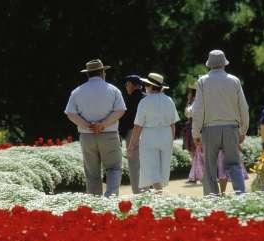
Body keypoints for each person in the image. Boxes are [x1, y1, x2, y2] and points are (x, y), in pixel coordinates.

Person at [65, 59, 126, 197]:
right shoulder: (113, 89)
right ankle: (110, 197)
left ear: (88, 74)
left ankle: (94, 203)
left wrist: (88, 125)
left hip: (87, 136)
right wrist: (102, 124)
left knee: (92, 172)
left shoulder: (77, 92)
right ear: (103, 72)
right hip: (109, 134)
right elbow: (120, 110)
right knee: (114, 169)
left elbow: (70, 113)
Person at [192, 50, 249, 195]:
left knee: (210, 168)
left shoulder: (202, 81)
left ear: (209, 64)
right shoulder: (234, 80)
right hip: (231, 128)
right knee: (234, 164)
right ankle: (240, 195)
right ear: (224, 63)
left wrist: (195, 132)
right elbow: (244, 107)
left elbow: (198, 110)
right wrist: (243, 130)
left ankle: (212, 198)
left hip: (209, 129)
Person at [128, 73, 179, 192]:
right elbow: (173, 124)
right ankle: (155, 194)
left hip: (150, 135)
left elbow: (138, 126)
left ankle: (158, 195)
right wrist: (171, 139)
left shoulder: (144, 101)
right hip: (166, 134)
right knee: (162, 168)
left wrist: (131, 145)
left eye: (146, 84)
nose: (145, 87)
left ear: (150, 86)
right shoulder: (169, 100)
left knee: (150, 168)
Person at [118, 75, 145, 194]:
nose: (126, 87)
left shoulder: (130, 100)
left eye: (127, 84)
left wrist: (120, 134)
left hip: (133, 133)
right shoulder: (146, 98)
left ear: (132, 85)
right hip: (148, 134)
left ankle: (138, 194)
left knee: (134, 167)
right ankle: (147, 192)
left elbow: (126, 120)